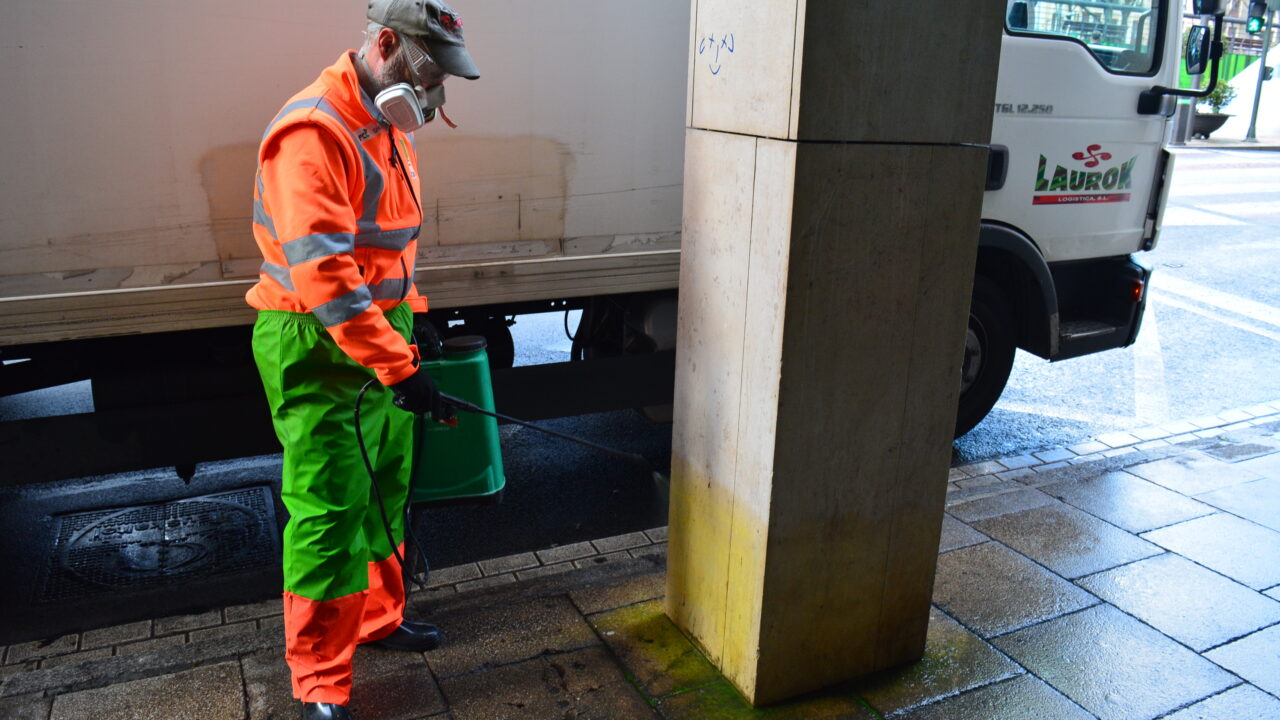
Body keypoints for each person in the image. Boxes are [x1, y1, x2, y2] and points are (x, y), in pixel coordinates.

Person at [245, 1, 478, 718]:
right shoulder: (314, 130)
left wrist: (414, 326)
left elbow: (384, 250)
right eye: (430, 69)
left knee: (385, 487)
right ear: (385, 45)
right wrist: (397, 364)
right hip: (315, 342)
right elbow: (327, 280)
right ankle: (319, 677)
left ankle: (378, 618)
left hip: (380, 332)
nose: (436, 90)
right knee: (327, 507)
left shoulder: (387, 124)